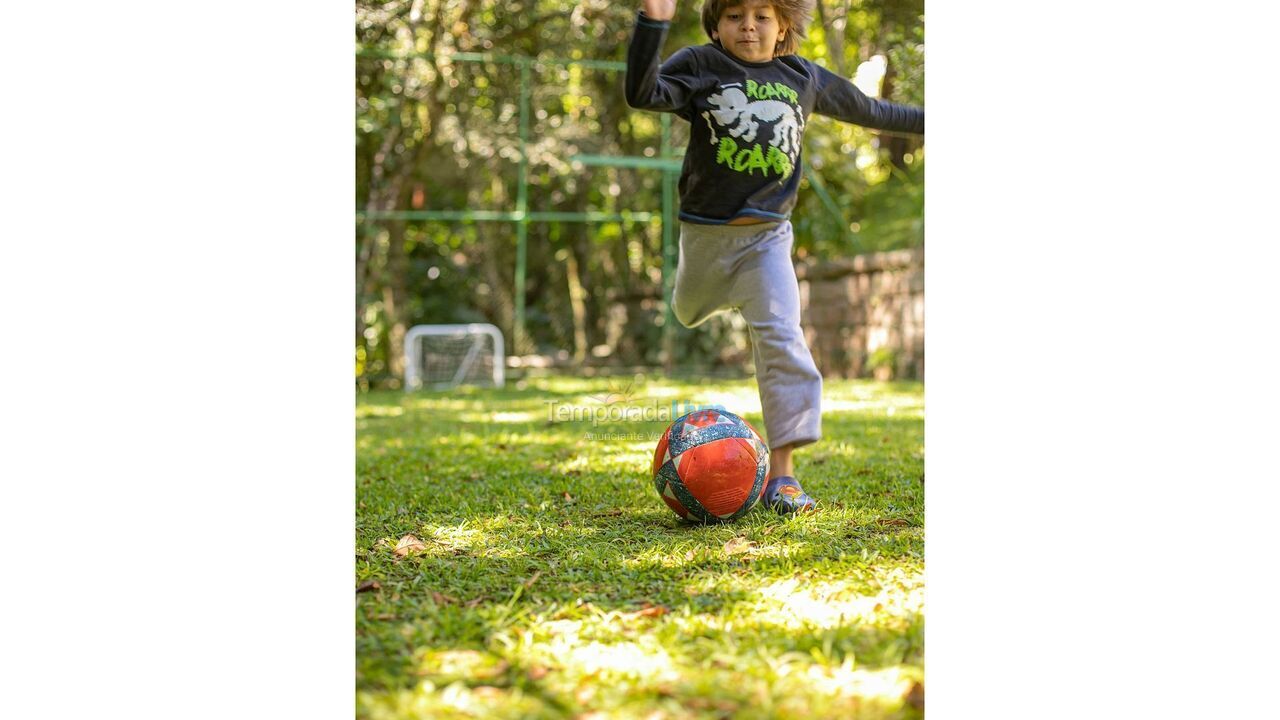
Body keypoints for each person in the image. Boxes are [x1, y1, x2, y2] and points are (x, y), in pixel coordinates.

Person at [625, 0, 924, 513]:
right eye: (735, 16)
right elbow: (643, 93)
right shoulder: (701, 65)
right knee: (687, 311)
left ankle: (783, 480)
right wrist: (653, 21)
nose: (748, 26)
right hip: (705, 239)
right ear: (716, 26)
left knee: (783, 339)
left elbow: (873, 110)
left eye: (762, 16)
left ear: (783, 24)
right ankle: (702, 299)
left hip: (766, 240)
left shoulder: (802, 76)